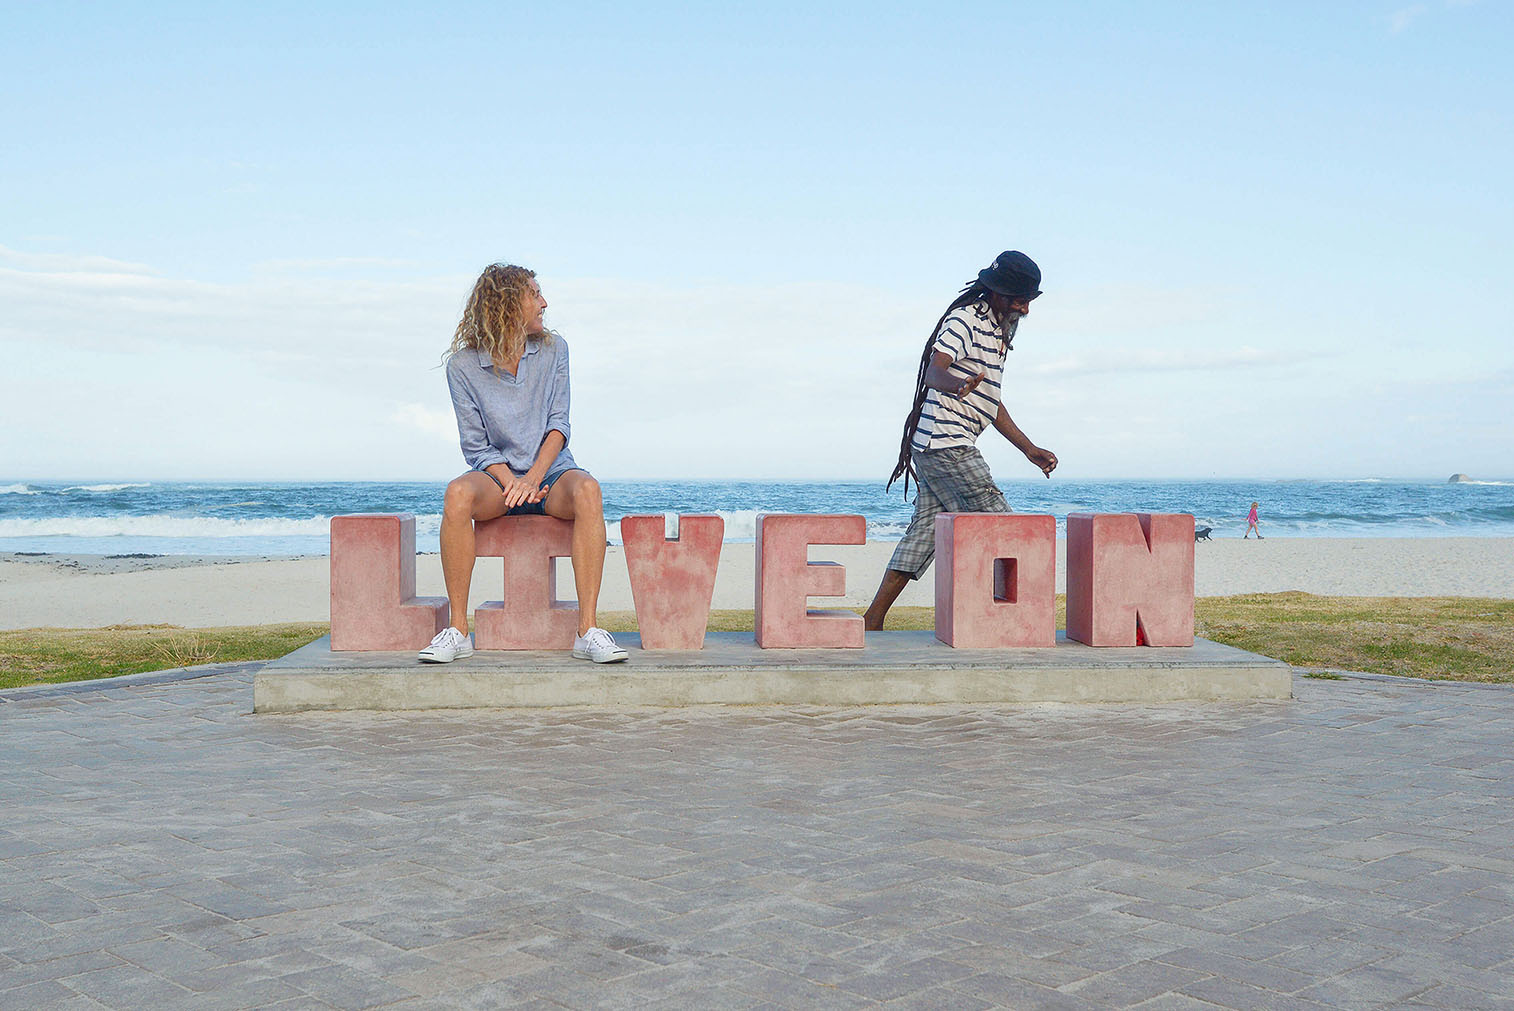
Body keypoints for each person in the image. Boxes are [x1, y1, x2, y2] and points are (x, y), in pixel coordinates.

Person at [419, 263, 628, 664]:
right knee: (457, 494)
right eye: (535, 295)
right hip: (497, 480)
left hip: (550, 472)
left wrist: (533, 478)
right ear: (507, 304)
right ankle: (459, 631)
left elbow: (559, 424)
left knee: (588, 491)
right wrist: (512, 482)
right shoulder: (462, 367)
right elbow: (476, 446)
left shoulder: (554, 349)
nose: (544, 302)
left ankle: (587, 630)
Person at [863, 251, 1059, 631]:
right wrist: (956, 384)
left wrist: (1028, 448)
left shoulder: (999, 330)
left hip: (934, 445)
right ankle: (1014, 622)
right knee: (1005, 529)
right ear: (997, 292)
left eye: (1030, 300)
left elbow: (990, 401)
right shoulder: (965, 320)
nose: (1026, 309)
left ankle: (872, 620)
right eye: (1020, 300)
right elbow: (935, 373)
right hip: (945, 443)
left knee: (925, 532)